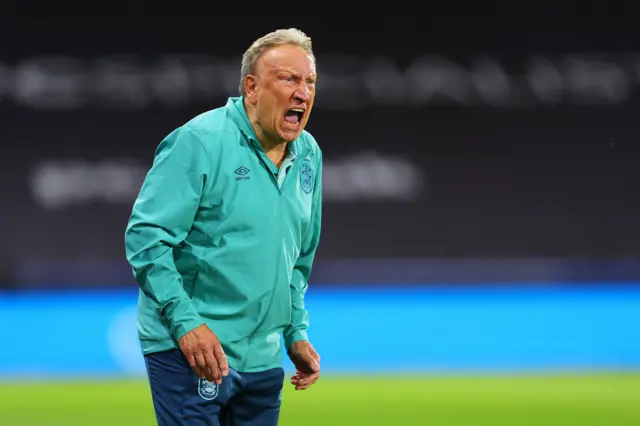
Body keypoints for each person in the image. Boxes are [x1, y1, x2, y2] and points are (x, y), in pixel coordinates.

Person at [124, 28, 322, 426]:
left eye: (310, 82)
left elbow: (298, 256)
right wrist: (187, 324)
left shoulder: (308, 154)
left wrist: (294, 331)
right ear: (251, 87)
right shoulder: (199, 141)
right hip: (194, 352)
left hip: (263, 358)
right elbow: (146, 238)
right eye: (288, 79)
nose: (303, 93)